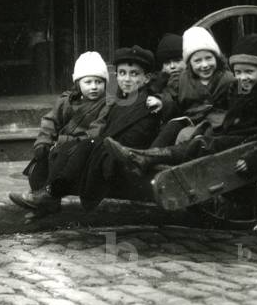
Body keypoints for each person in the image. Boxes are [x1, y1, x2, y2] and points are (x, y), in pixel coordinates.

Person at [101, 34, 257, 213]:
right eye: (238, 72)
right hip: (233, 134)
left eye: (249, 72)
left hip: (249, 140)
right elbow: (230, 112)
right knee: (194, 140)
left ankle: (149, 159)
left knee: (199, 144)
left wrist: (252, 159)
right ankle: (145, 157)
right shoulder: (239, 87)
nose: (243, 77)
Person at [9, 45, 162, 216]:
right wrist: (45, 141)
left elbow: (115, 134)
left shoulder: (146, 103)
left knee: (77, 147)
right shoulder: (117, 98)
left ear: (147, 78)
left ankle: (50, 196)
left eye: (134, 74)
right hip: (92, 148)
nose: (126, 79)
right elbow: (51, 120)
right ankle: (46, 201)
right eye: (122, 73)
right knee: (46, 162)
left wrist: (159, 99)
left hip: (114, 157)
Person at [19, 51, 109, 192]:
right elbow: (51, 120)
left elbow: (95, 131)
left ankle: (47, 197)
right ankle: (37, 196)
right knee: (37, 173)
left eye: (99, 82)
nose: (94, 87)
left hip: (79, 149)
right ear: (78, 83)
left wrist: (64, 140)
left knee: (57, 171)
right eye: (88, 82)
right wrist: (44, 140)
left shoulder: (105, 105)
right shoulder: (66, 101)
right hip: (58, 145)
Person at [147, 26, 235, 146]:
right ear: (189, 64)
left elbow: (238, 101)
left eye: (209, 58)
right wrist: (161, 101)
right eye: (197, 61)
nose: (204, 65)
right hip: (190, 120)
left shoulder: (227, 78)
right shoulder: (183, 78)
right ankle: (149, 154)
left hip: (215, 123)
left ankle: (170, 158)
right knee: (171, 127)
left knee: (192, 137)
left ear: (217, 58)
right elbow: (171, 96)